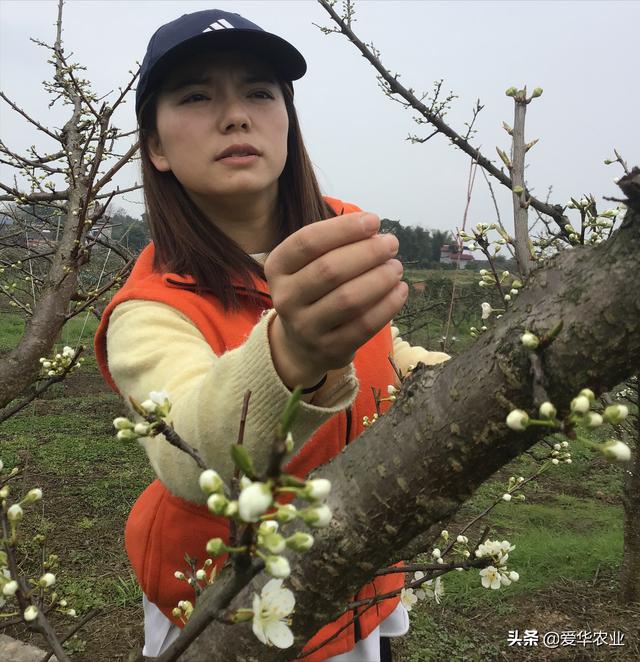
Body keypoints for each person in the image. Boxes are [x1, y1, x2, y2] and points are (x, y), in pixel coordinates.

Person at [94, 8, 449, 661]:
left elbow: (384, 350)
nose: (235, 115)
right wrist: (292, 355)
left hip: (359, 566)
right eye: (196, 96)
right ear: (158, 147)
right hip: (225, 600)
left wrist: (451, 376)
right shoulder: (149, 308)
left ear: (288, 121)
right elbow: (189, 450)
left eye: (260, 92)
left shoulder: (340, 232)